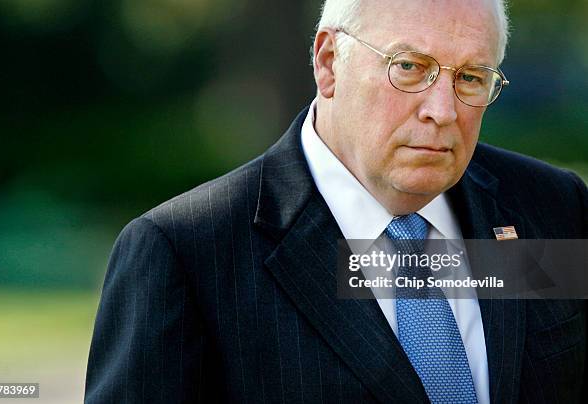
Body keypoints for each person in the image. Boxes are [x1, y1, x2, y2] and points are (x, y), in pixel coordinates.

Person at [85, 0, 588, 402]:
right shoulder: (188, 254)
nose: (443, 110)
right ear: (328, 63)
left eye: (471, 78)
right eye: (410, 67)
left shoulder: (552, 208)